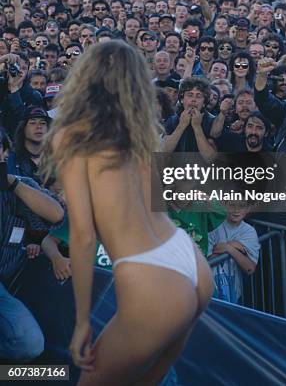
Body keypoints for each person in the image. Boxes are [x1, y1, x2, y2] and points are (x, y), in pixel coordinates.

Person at [41, 41, 213, 385]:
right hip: (190, 262)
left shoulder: (72, 135)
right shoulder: (141, 132)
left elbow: (84, 235)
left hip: (153, 278)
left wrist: (82, 322)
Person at [0, 127, 64, 360]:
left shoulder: (18, 185)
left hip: (3, 288)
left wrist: (9, 182)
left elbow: (56, 215)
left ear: (5, 154)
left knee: (30, 343)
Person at [208, 199, 260, 303]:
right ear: (225, 205)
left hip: (234, 291)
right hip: (209, 288)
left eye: (241, 206)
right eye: (232, 205)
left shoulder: (249, 231)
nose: (236, 210)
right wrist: (237, 247)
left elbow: (250, 268)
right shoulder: (213, 226)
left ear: (248, 209)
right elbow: (206, 261)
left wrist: (228, 248)